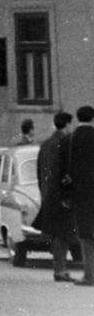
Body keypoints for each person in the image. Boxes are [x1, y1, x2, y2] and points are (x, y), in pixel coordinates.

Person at [33, 110, 75, 282]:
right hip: (60, 196)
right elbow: (61, 172)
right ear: (67, 124)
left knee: (58, 235)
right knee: (62, 235)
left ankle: (60, 269)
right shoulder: (63, 143)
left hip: (49, 194)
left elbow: (40, 171)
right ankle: (60, 270)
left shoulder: (46, 144)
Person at [69, 105, 94, 286]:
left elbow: (70, 168)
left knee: (85, 236)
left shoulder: (73, 138)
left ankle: (89, 274)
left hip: (81, 195)